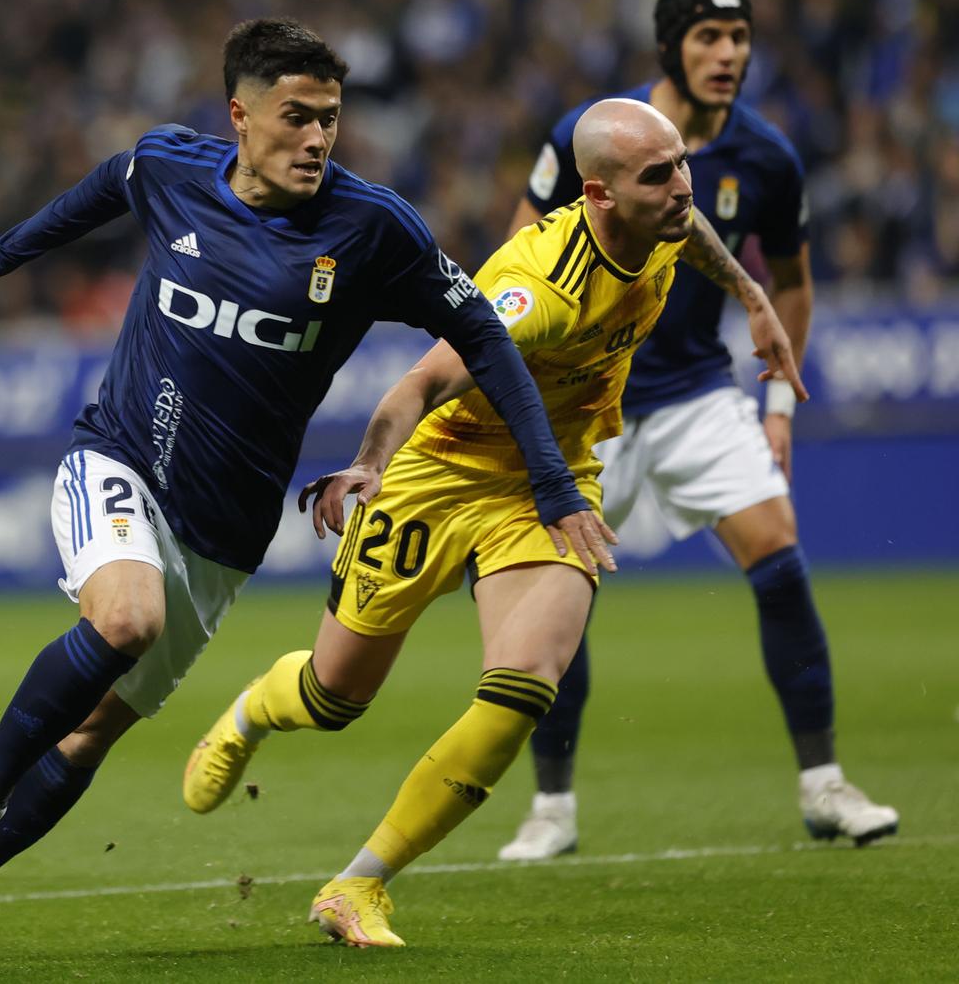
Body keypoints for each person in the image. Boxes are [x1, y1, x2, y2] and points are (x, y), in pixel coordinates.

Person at [0, 19, 615, 969]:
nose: (318, 137)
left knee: (92, 733)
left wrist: (555, 481)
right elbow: (109, 182)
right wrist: (0, 254)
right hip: (117, 455)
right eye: (296, 117)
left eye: (329, 119)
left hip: (226, 531)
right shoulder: (172, 167)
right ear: (241, 116)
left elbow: (483, 336)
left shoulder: (372, 228)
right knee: (125, 619)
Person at [182, 97, 806, 949]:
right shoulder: (536, 287)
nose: (682, 186)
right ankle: (256, 709)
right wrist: (369, 461)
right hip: (440, 474)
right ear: (598, 193)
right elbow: (420, 385)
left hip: (546, 485)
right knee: (335, 696)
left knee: (525, 682)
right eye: (658, 174)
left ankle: (358, 884)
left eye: (681, 163)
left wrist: (751, 293)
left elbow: (692, 228)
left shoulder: (661, 221)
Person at [497, 0, 897, 860]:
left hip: (694, 393)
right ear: (671, 46)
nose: (728, 56)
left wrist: (779, 407)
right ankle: (552, 807)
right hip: (590, 408)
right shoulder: (590, 135)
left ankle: (824, 785)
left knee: (779, 551)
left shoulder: (766, 159)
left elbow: (790, 284)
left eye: (741, 39)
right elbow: (517, 252)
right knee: (558, 602)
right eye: (710, 39)